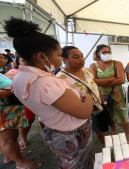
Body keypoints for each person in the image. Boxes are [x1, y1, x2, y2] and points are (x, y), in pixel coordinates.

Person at [5, 18, 94, 168]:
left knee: (67, 162)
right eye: (59, 55)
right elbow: (84, 112)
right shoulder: (46, 82)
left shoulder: (19, 77)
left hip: (55, 129)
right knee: (79, 164)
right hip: (72, 134)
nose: (61, 60)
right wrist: (89, 97)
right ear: (41, 56)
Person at [57, 46, 113, 145]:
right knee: (83, 137)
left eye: (82, 56)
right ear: (65, 59)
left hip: (97, 106)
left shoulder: (87, 71)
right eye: (76, 57)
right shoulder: (61, 78)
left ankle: (107, 146)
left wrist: (102, 101)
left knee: (101, 129)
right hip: (80, 112)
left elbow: (94, 86)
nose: (81, 59)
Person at [89, 44, 129, 143]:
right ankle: (114, 132)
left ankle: (127, 137)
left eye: (108, 52)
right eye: (104, 52)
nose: (107, 54)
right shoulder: (93, 66)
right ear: (98, 54)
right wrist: (114, 78)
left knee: (123, 115)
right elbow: (93, 81)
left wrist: (102, 81)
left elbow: (122, 79)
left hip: (117, 94)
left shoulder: (117, 63)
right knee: (109, 114)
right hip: (102, 95)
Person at [0, 53, 37, 168]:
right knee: (9, 138)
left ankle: (11, 155)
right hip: (3, 111)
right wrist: (12, 89)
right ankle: (21, 163)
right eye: (1, 57)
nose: (4, 59)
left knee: (9, 137)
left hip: (7, 109)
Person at [4, 55, 34, 150]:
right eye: (22, 60)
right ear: (17, 62)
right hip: (22, 101)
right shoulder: (13, 72)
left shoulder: (34, 71)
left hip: (34, 99)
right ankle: (23, 138)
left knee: (34, 119)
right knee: (26, 121)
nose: (26, 62)